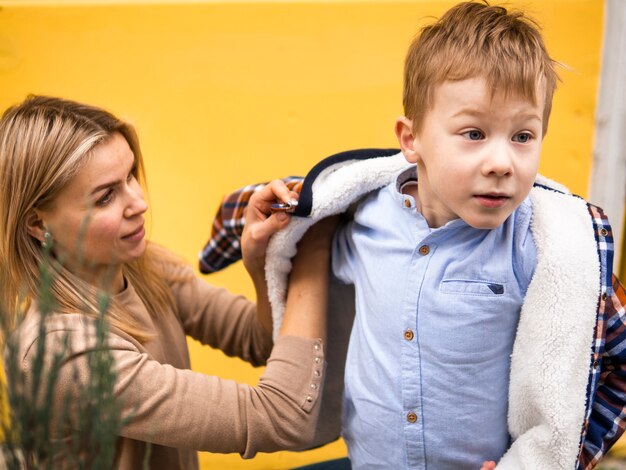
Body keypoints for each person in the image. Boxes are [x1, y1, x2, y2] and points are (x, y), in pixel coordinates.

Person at [200, 2, 626, 469]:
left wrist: (550, 461)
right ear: (411, 139)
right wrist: (262, 249)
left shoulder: (547, 247)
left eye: (523, 136)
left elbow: (619, 362)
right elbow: (297, 215)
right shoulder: (361, 218)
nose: (502, 162)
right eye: (474, 132)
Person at [0, 95, 336, 469]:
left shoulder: (144, 266)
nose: (138, 203)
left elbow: (261, 341)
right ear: (38, 224)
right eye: (106, 196)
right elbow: (282, 418)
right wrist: (314, 241)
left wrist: (262, 266)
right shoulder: (66, 353)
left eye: (129, 176)